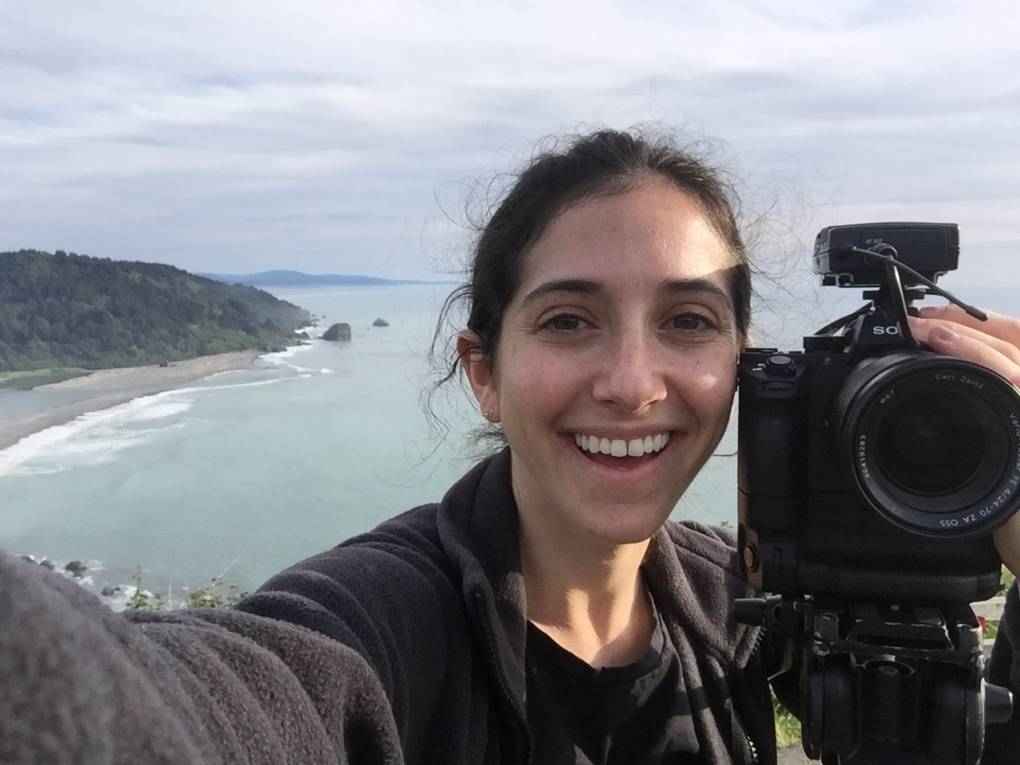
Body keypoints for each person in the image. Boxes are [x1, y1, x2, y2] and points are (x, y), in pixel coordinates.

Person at [1, 129, 1019, 765]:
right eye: (570, 320)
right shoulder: (383, 628)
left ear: (744, 369)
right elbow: (195, 701)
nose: (631, 381)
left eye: (689, 322)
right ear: (483, 369)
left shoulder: (738, 600)